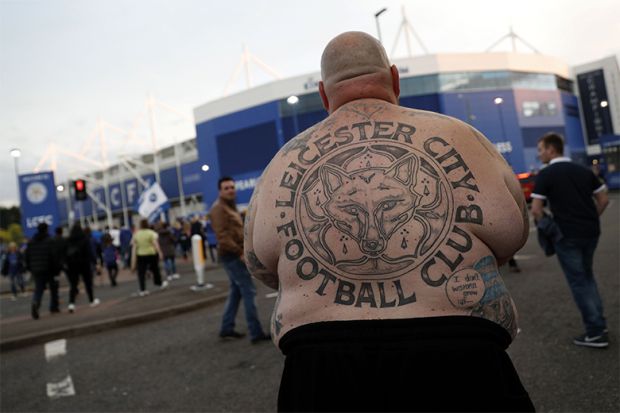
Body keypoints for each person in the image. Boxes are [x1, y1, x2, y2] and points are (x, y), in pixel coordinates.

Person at [244, 32, 534, 411]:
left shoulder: (279, 165)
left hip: (320, 370)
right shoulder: (462, 137)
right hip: (464, 357)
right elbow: (513, 235)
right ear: (395, 78)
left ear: (322, 93)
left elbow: (258, 264)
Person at [531, 132, 609, 348]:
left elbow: (536, 210)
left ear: (551, 150)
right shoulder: (583, 170)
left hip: (566, 236)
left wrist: (551, 229)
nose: (539, 155)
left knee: (579, 282)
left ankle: (595, 332)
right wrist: (591, 218)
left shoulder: (546, 174)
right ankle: (599, 325)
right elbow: (603, 199)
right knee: (587, 277)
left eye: (541, 150)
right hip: (591, 232)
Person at [211, 177, 270, 344]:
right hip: (232, 256)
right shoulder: (218, 209)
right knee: (249, 291)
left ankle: (226, 328)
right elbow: (222, 237)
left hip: (233, 254)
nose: (230, 190)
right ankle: (255, 332)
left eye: (232, 187)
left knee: (236, 292)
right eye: (226, 188)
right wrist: (240, 253)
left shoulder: (230, 207)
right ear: (220, 191)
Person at [25, 223, 59, 319]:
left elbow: (26, 257)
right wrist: (56, 268)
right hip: (49, 269)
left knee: (38, 289)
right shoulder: (50, 241)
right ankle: (53, 307)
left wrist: (30, 268)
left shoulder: (31, 242)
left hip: (36, 269)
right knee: (53, 288)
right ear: (46, 229)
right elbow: (54, 256)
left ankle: (36, 302)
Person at [65, 223, 101, 312]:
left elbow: (66, 253)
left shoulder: (69, 240)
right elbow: (90, 252)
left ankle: (71, 304)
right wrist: (95, 262)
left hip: (73, 265)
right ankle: (91, 300)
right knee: (88, 283)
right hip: (84, 263)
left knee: (73, 284)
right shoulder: (85, 239)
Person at [131, 219, 167, 296]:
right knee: (155, 269)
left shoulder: (136, 234)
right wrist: (160, 252)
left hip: (141, 254)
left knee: (141, 272)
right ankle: (159, 283)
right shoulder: (151, 233)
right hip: (151, 253)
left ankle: (143, 289)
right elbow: (155, 243)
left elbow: (134, 246)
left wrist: (133, 259)